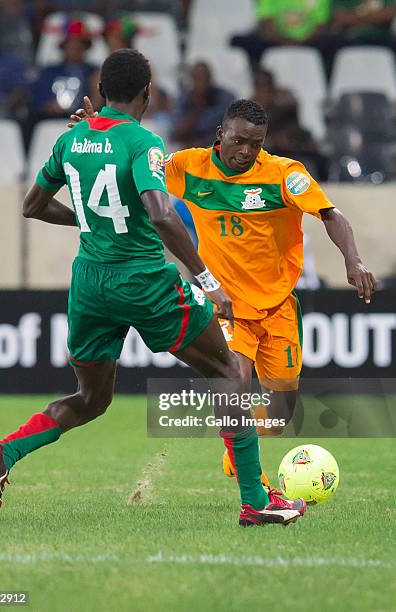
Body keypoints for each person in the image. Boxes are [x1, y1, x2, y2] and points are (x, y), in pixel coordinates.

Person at [0, 49, 306, 529]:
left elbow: (33, 206)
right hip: (144, 280)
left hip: (88, 283)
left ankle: (4, 454)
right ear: (147, 93)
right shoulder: (142, 141)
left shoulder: (73, 139)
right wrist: (207, 280)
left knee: (92, 399)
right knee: (230, 370)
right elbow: (160, 212)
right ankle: (255, 499)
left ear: (103, 91)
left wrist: (91, 223)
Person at [68, 95, 376, 483]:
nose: (246, 151)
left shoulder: (284, 174)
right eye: (238, 141)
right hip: (226, 304)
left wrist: (354, 260)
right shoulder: (187, 166)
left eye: (256, 144)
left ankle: (235, 452)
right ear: (221, 134)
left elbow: (331, 214)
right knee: (234, 384)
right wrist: (102, 132)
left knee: (279, 418)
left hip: (278, 306)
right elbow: (132, 168)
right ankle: (255, 486)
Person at [30, 20, 98, 121]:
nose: (75, 48)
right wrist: (48, 105)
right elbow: (37, 98)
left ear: (85, 48)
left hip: (84, 121)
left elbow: (98, 104)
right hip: (52, 118)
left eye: (79, 45)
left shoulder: (94, 72)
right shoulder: (49, 72)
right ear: (63, 47)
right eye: (71, 45)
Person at [170, 61, 235, 148]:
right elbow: (176, 134)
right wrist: (196, 109)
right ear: (192, 79)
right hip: (188, 146)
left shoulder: (224, 98)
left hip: (216, 146)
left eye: (204, 78)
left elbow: (232, 130)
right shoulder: (183, 99)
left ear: (210, 78)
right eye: (198, 78)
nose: (201, 83)